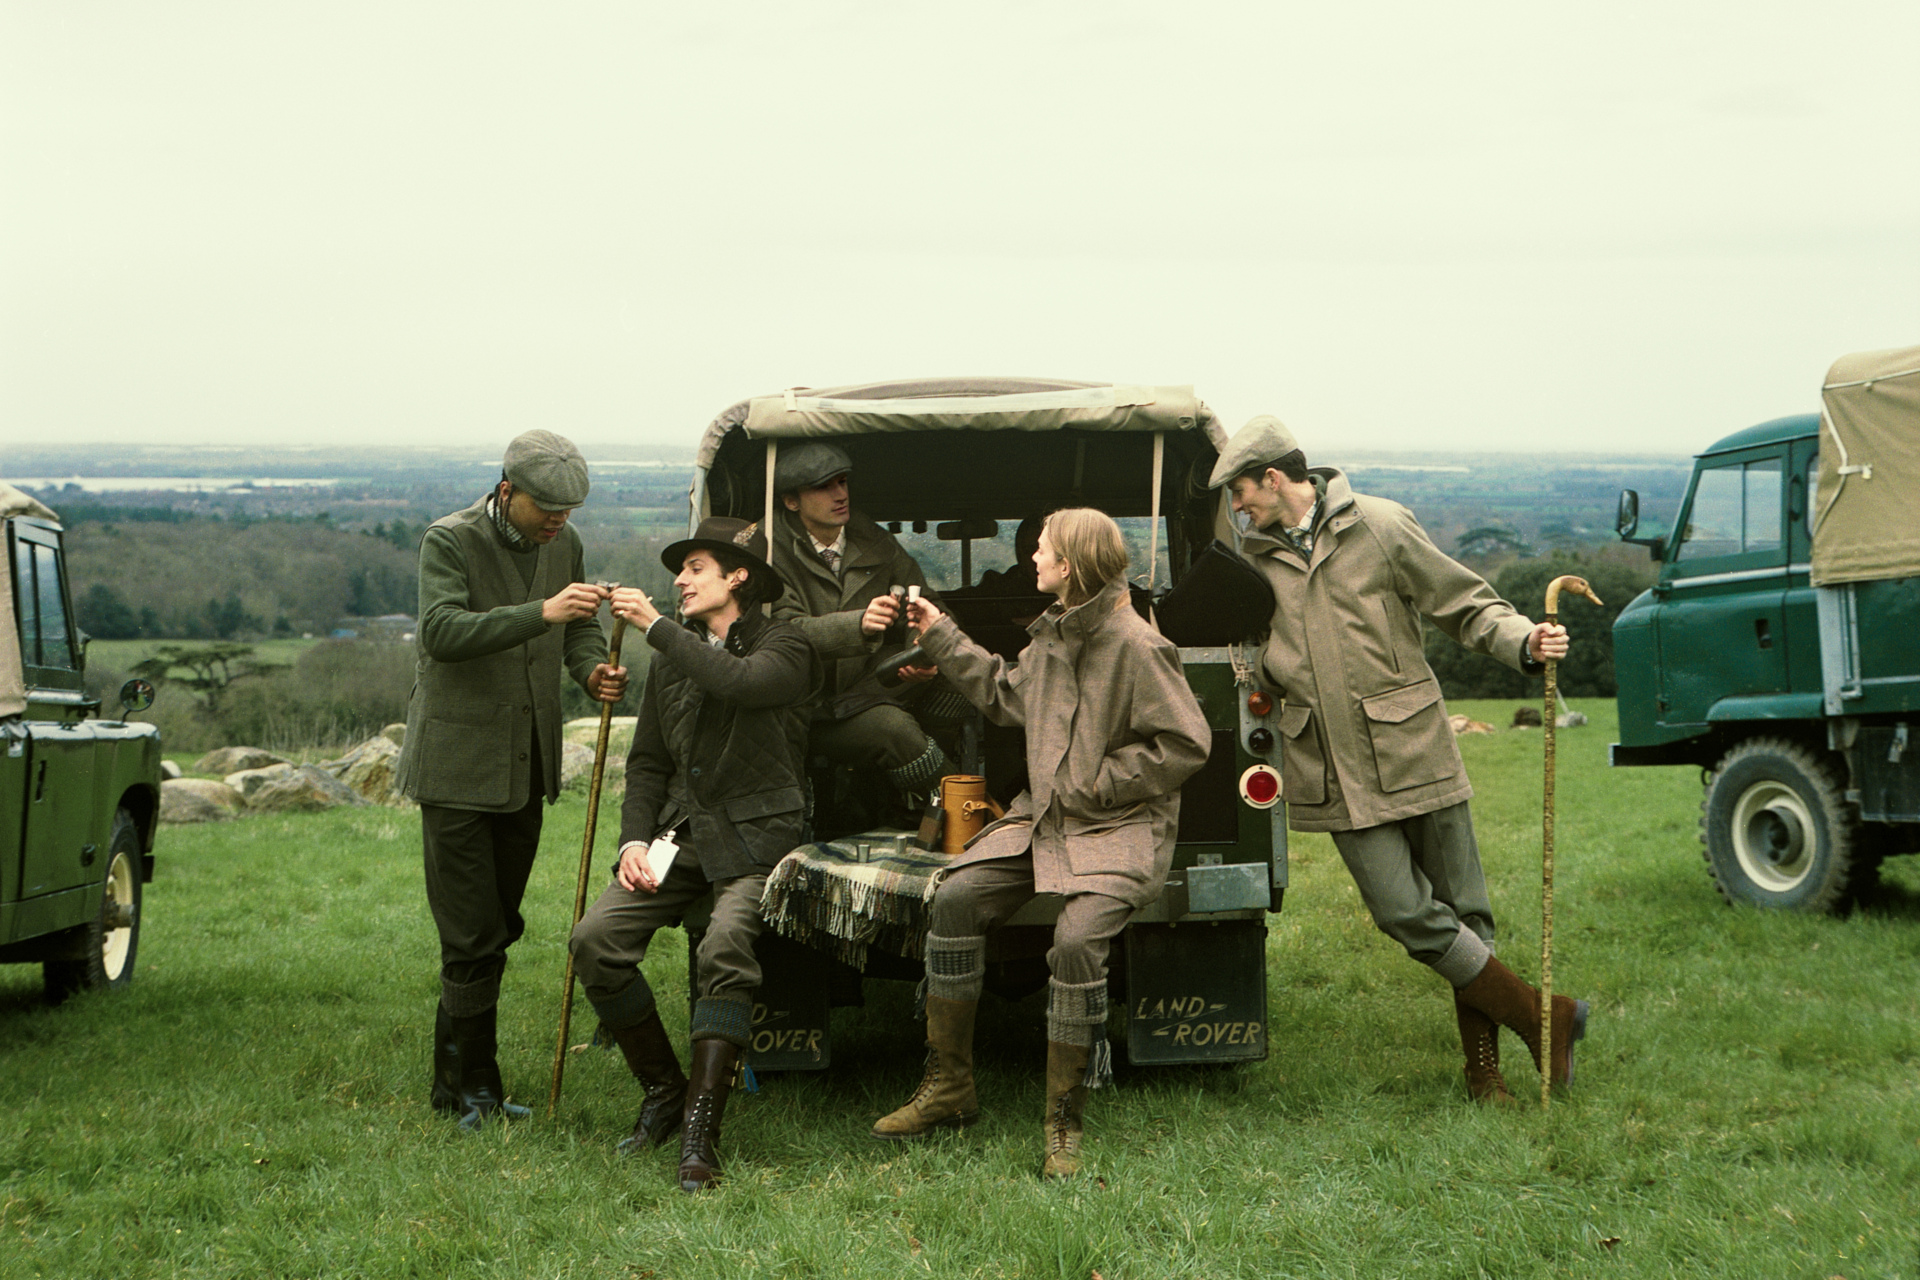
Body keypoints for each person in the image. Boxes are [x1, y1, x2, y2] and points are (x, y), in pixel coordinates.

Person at [1208, 414, 1589, 1105]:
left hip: (1413, 747)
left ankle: (1486, 1075)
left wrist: (1524, 641)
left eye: (1241, 492)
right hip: (1326, 766)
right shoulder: (1250, 562)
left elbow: (1465, 602)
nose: (1237, 509)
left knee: (1466, 915)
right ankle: (1546, 1016)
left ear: (1273, 477)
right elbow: (1244, 650)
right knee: (1403, 913)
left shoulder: (1381, 526)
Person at [870, 508, 1209, 1179]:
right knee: (959, 897)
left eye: (1044, 551)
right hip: (1047, 819)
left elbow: (1186, 744)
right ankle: (950, 1090)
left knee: (1078, 940)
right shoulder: (1053, 635)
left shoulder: (1138, 645)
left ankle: (1063, 1123)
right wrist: (940, 635)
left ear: (1072, 566)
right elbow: (1003, 696)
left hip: (1119, 828)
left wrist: (1100, 781)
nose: (1032, 559)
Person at [568, 517, 817, 1193]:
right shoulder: (672, 656)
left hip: (759, 835)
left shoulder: (785, 644)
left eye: (696, 567)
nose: (679, 580)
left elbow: (738, 682)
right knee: (594, 940)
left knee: (724, 946)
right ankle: (665, 1093)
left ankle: (702, 1133)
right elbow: (648, 763)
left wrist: (655, 627)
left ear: (738, 576)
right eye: (680, 571)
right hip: (681, 836)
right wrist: (632, 841)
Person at [397, 430, 627, 1130]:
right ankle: (477, 1088)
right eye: (546, 508)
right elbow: (441, 632)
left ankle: (452, 1081)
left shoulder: (566, 546)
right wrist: (542, 612)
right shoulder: (450, 539)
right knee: (470, 934)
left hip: (526, 768)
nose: (558, 521)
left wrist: (591, 670)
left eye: (568, 510)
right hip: (458, 768)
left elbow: (578, 631)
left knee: (497, 926)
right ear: (506, 491)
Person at [766, 441, 956, 813]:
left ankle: (918, 807)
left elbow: (931, 605)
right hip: (807, 709)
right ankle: (973, 818)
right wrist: (858, 625)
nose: (840, 495)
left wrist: (921, 648)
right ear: (791, 501)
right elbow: (780, 633)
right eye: (824, 487)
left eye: (842, 481)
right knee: (892, 730)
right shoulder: (769, 550)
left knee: (967, 686)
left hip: (869, 685)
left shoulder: (874, 540)